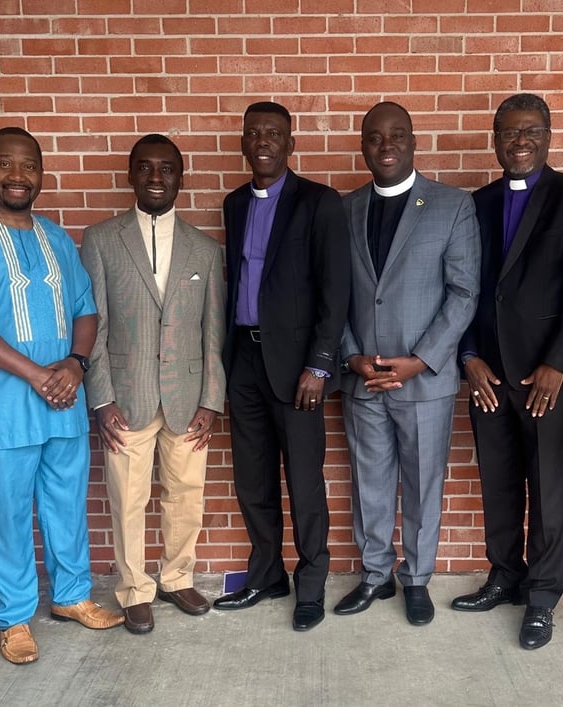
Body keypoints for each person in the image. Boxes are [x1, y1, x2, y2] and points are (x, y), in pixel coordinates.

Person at [0, 127, 123, 665]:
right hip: (2, 408)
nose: (17, 176)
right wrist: (37, 375)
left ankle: (71, 596)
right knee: (8, 513)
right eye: (6, 164)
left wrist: (75, 364)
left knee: (67, 504)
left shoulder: (56, 238)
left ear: (41, 174)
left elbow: (86, 310)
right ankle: (15, 617)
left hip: (62, 403)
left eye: (28, 166)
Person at [450, 94, 563, 649]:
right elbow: (464, 287)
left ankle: (541, 597)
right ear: (495, 139)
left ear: (548, 136)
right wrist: (468, 356)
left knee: (547, 487)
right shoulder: (478, 202)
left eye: (531, 131)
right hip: (488, 373)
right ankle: (504, 576)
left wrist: (558, 364)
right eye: (510, 132)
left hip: (545, 376)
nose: (520, 141)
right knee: (497, 479)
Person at [334, 101, 481, 626]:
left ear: (414, 142)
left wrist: (421, 360)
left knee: (422, 484)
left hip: (423, 380)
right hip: (364, 379)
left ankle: (416, 579)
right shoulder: (345, 208)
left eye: (397, 135)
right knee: (369, 482)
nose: (387, 145)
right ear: (363, 147)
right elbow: (335, 294)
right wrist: (351, 356)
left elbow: (464, 293)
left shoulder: (452, 206)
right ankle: (375, 574)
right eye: (375, 137)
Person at [213, 101, 350, 632]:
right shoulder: (234, 204)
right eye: (254, 133)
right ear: (244, 144)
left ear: (290, 144)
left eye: (273, 133)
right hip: (244, 360)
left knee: (304, 481)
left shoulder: (319, 202)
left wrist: (320, 365)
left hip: (297, 367)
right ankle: (266, 575)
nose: (263, 141)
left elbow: (335, 291)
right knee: (253, 479)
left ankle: (310, 585)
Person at [80, 134, 226, 634]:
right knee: (127, 497)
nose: (156, 177)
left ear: (181, 178)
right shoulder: (101, 240)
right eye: (145, 167)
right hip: (126, 397)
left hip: (188, 398)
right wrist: (101, 398)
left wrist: (211, 399)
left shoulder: (204, 249)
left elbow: (213, 331)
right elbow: (93, 323)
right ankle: (135, 589)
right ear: (131, 175)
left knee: (186, 494)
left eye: (167, 169)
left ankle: (177, 577)